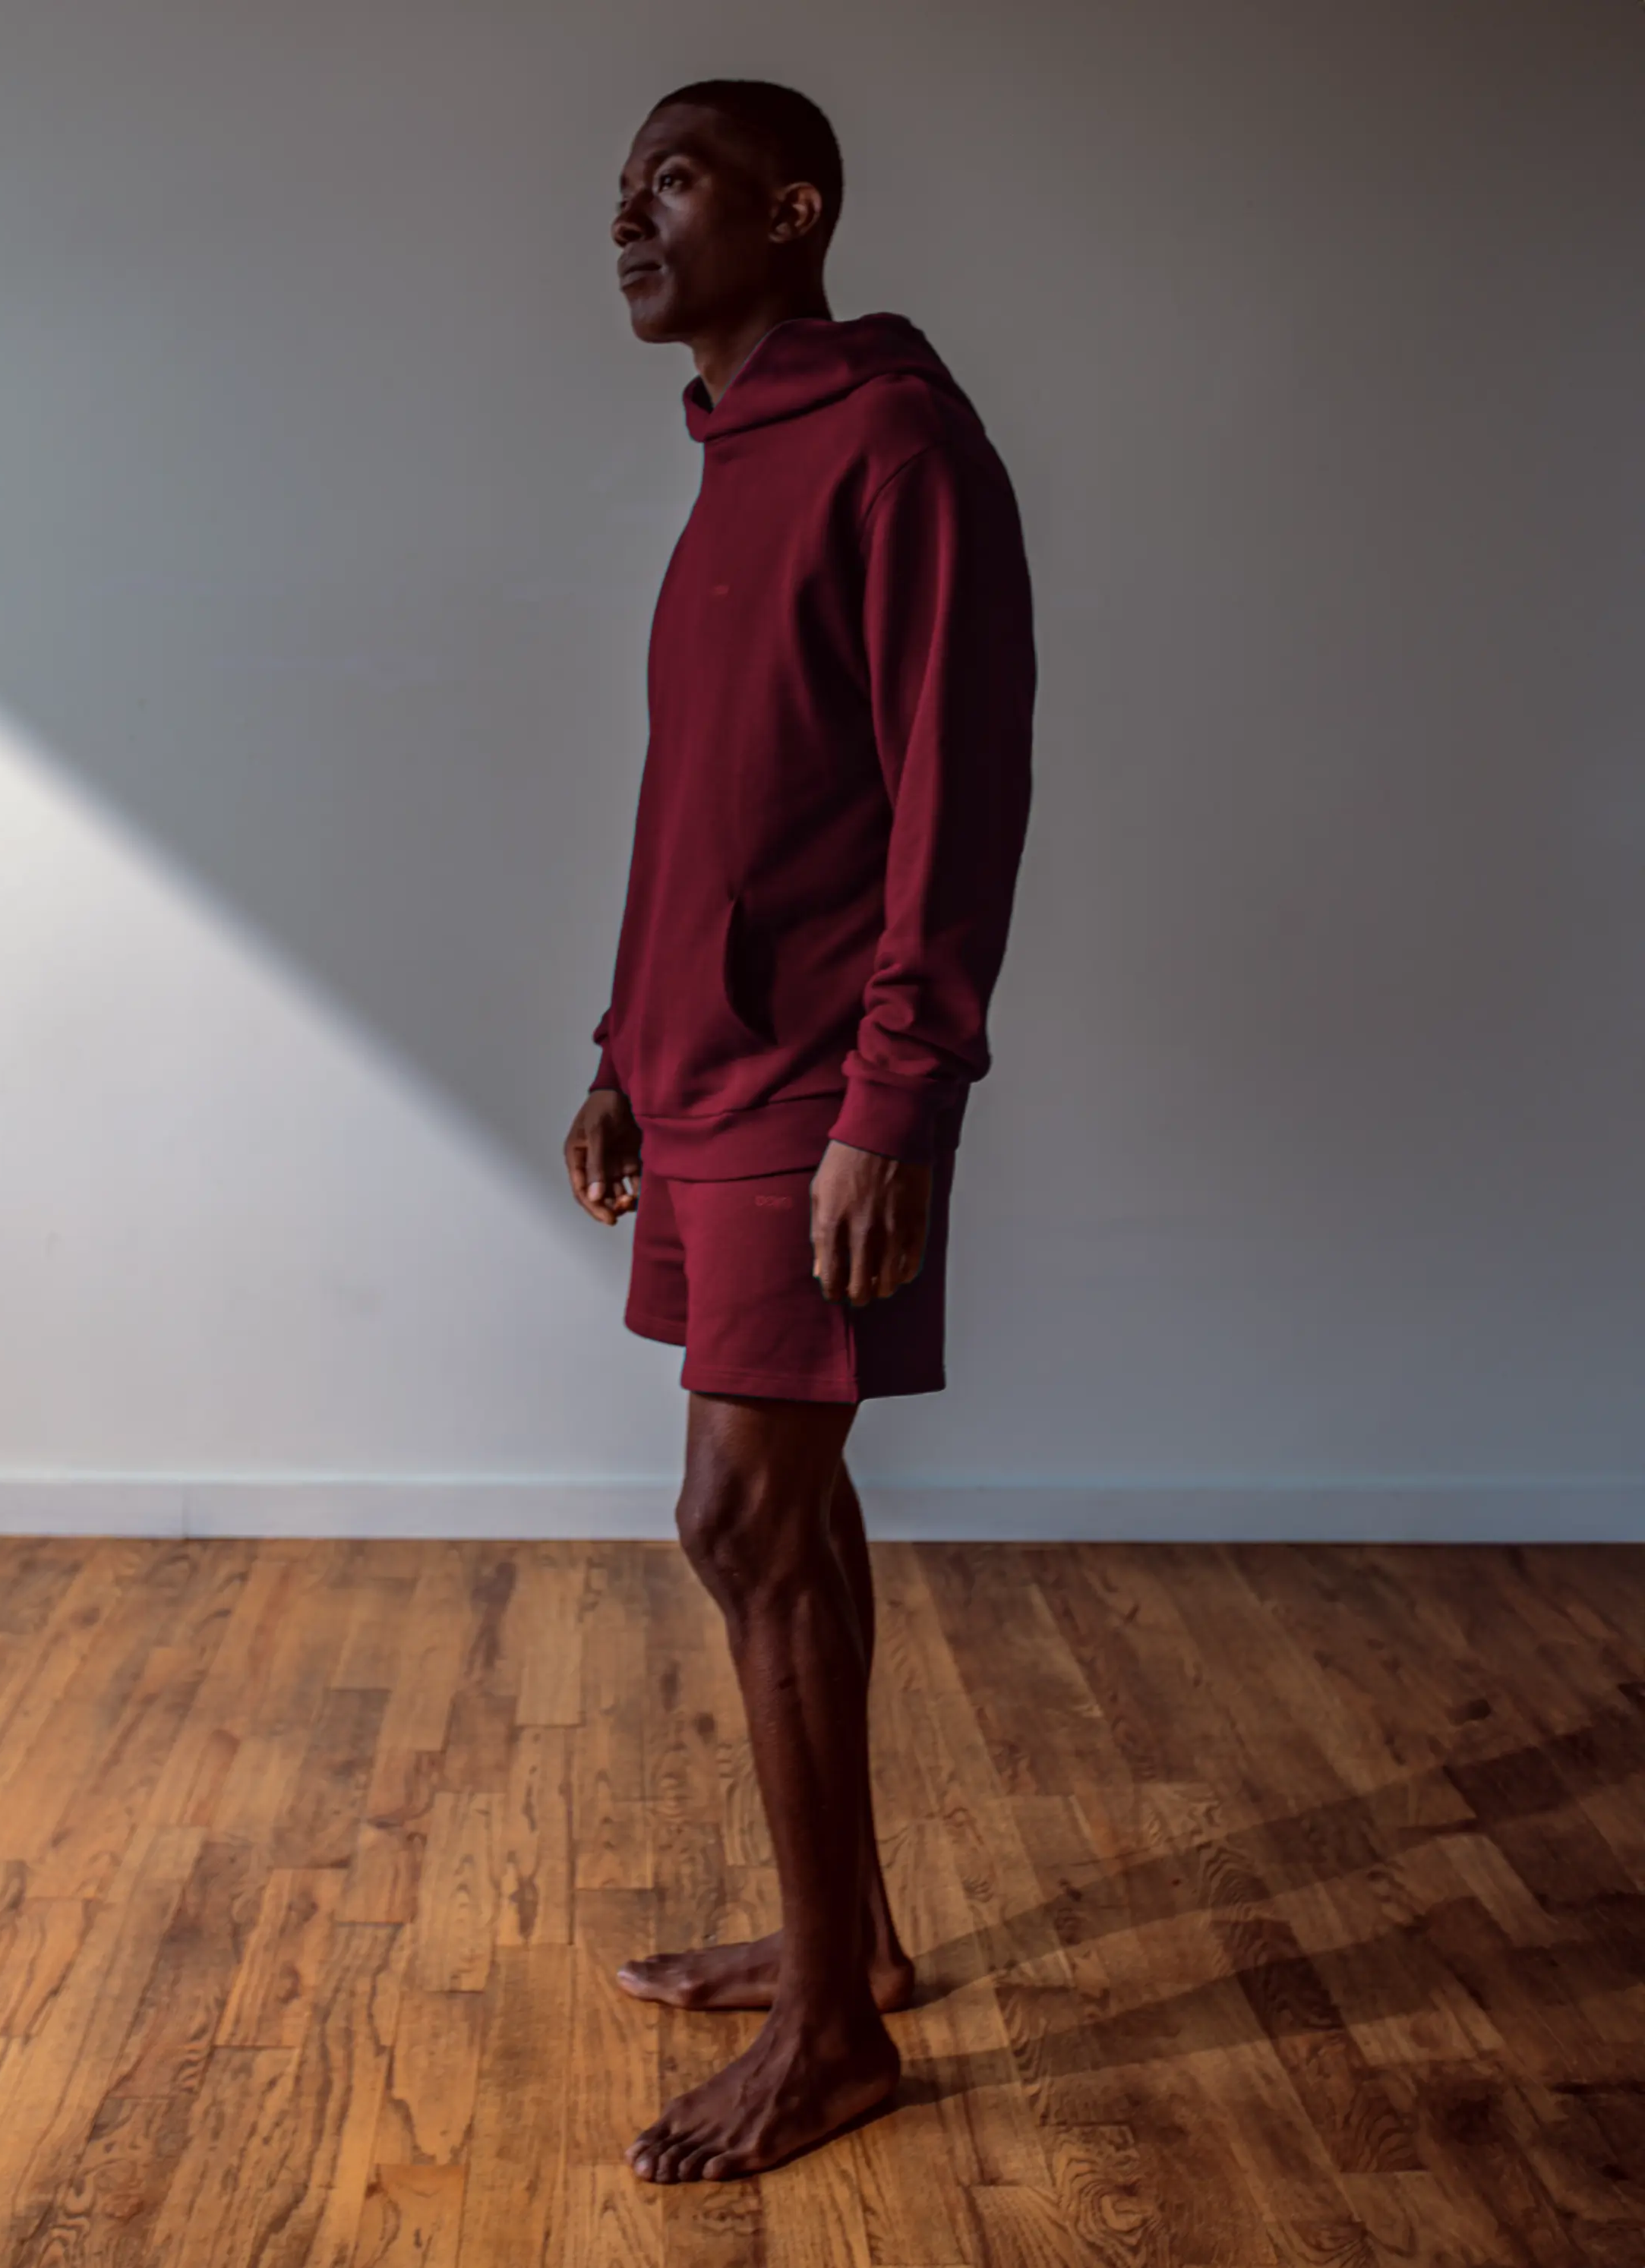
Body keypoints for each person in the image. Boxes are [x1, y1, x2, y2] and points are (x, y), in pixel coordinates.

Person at [561, 75, 1037, 2182]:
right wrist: (619, 1045)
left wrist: (898, 1099)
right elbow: (707, 798)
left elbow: (958, 788)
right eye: (627, 187)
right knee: (794, 1521)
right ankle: (852, 1946)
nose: (627, 219)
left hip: (820, 1083)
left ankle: (837, 2032)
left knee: (738, 1521)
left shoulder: (898, 445)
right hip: (707, 1071)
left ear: (793, 205)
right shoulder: (732, 461)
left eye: (671, 179)